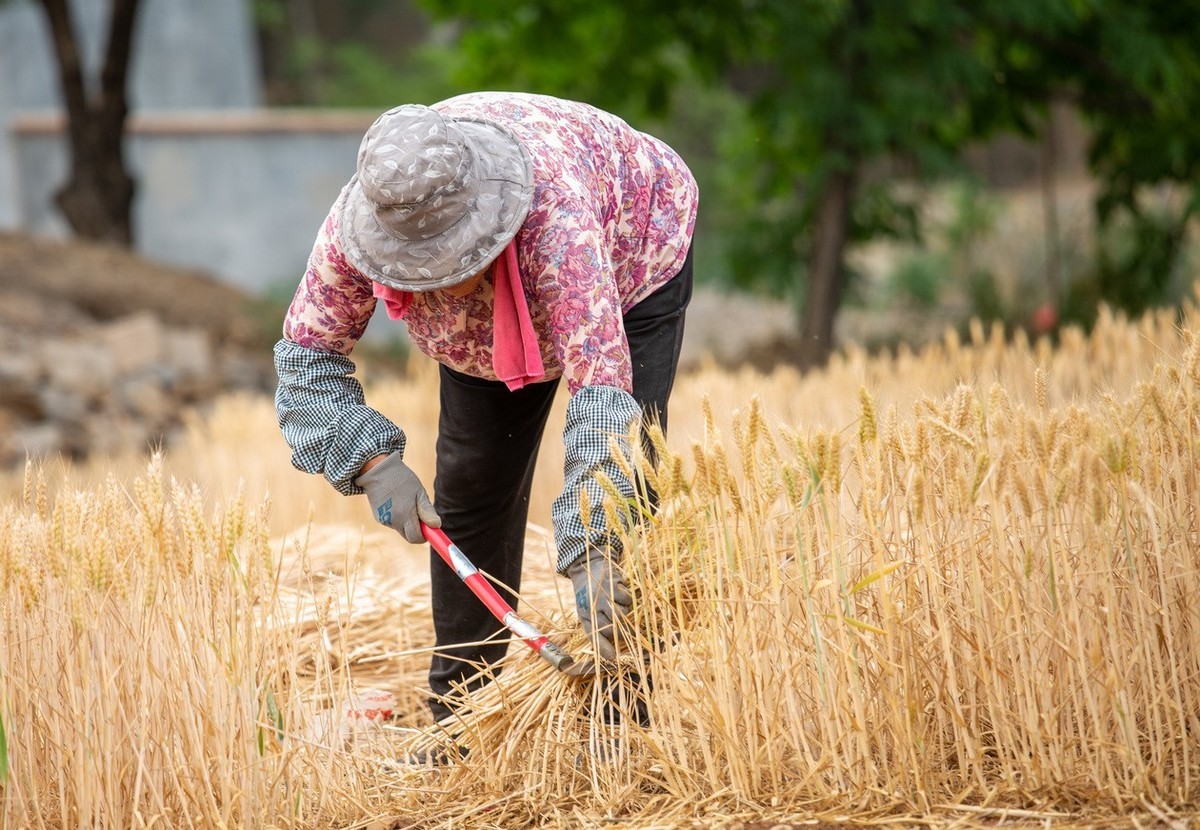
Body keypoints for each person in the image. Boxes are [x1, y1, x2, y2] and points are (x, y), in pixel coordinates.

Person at [273, 91, 697, 728]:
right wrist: (368, 461)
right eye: (419, 270)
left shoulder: (559, 226)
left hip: (636, 247)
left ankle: (621, 715)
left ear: (485, 223)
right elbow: (308, 356)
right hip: (492, 323)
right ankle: (461, 716)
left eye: (451, 262)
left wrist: (596, 541)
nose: (438, 282)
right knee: (471, 487)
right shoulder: (352, 231)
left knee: (625, 489)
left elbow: (604, 397)